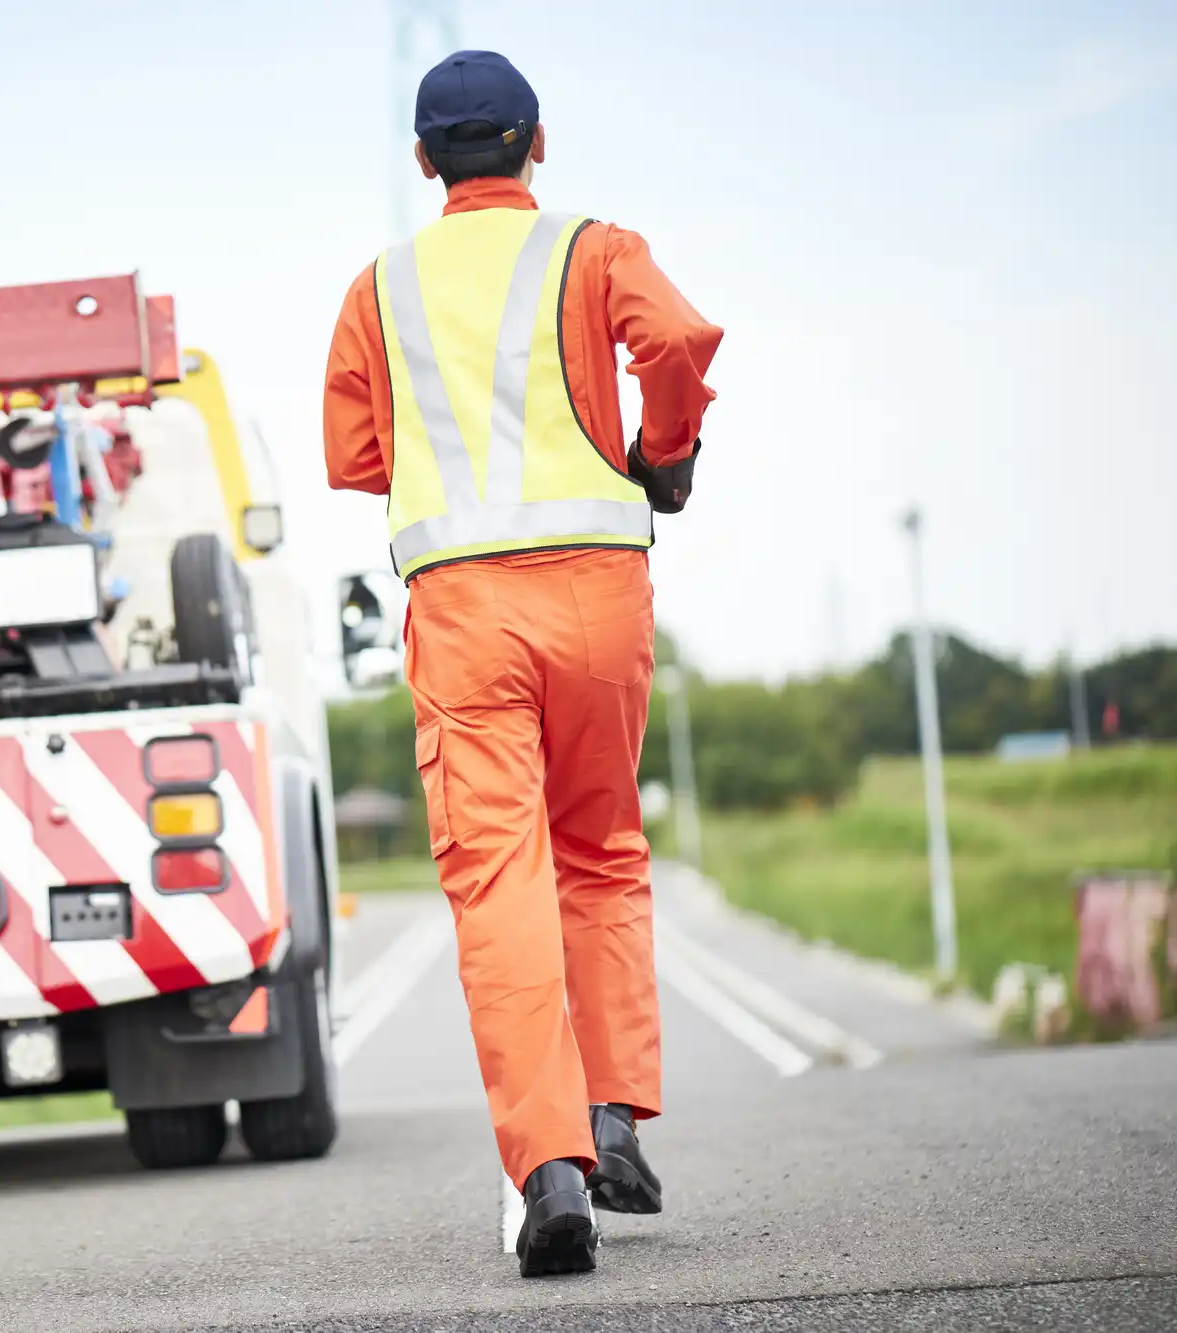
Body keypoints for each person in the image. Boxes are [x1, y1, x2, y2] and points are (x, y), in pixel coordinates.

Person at [321, 50, 722, 1277]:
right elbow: (679, 339)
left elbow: (352, 456)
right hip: (600, 595)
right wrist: (663, 453)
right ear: (536, 143)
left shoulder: (376, 288)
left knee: (497, 881)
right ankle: (613, 1122)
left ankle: (549, 1172)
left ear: (422, 161)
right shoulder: (594, 249)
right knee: (601, 855)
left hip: (464, 614)